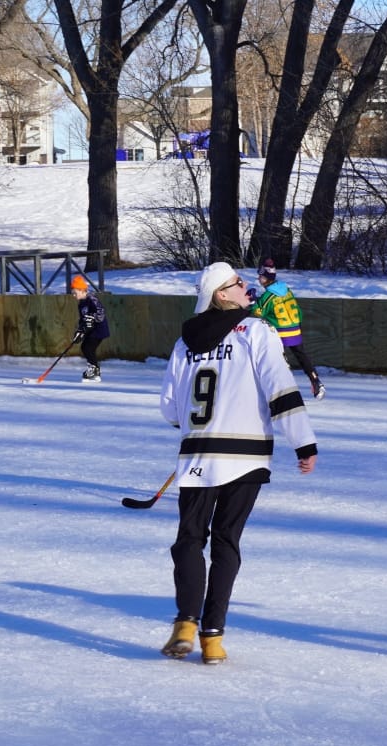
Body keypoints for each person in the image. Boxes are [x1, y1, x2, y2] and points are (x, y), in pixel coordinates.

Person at [159, 261, 318, 664]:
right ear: (220, 295)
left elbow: (170, 409)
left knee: (189, 540)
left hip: (197, 455)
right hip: (246, 457)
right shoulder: (256, 331)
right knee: (226, 542)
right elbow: (279, 387)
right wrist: (303, 442)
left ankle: (185, 623)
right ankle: (212, 639)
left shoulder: (184, 343)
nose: (246, 286)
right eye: (236, 282)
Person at [249, 259, 325, 400]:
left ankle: (285, 388)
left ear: (266, 278)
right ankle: (315, 380)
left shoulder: (268, 296)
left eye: (260, 276)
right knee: (301, 355)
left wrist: (253, 302)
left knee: (279, 359)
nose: (258, 278)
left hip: (281, 332)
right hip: (295, 328)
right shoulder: (286, 289)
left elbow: (259, 312)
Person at [70, 274, 109, 382]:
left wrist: (92, 317)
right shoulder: (81, 304)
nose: (73, 295)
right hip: (90, 330)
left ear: (82, 290)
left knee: (88, 348)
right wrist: (79, 331)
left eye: (75, 293)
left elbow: (101, 314)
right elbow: (83, 319)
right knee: (85, 347)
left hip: (99, 329)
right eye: (72, 293)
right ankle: (95, 370)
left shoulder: (92, 299)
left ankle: (94, 369)